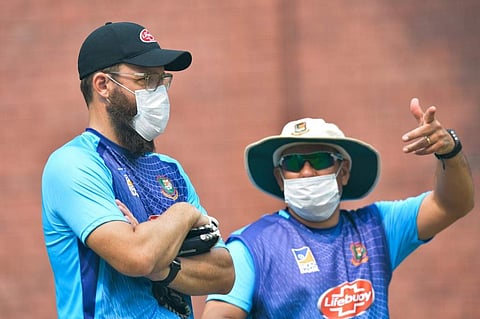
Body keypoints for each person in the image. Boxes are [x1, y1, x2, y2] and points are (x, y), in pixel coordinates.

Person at [202, 98, 474, 319]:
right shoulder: (252, 246)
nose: (307, 172)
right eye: (293, 163)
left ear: (343, 172)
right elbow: (218, 315)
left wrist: (449, 151)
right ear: (279, 178)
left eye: (320, 159)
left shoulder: (376, 228)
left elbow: (451, 204)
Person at [41, 21, 234, 319]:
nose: (158, 93)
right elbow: (137, 257)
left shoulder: (170, 170)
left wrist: (164, 266)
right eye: (146, 80)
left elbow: (224, 273)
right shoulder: (73, 164)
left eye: (162, 80)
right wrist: (183, 214)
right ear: (103, 85)